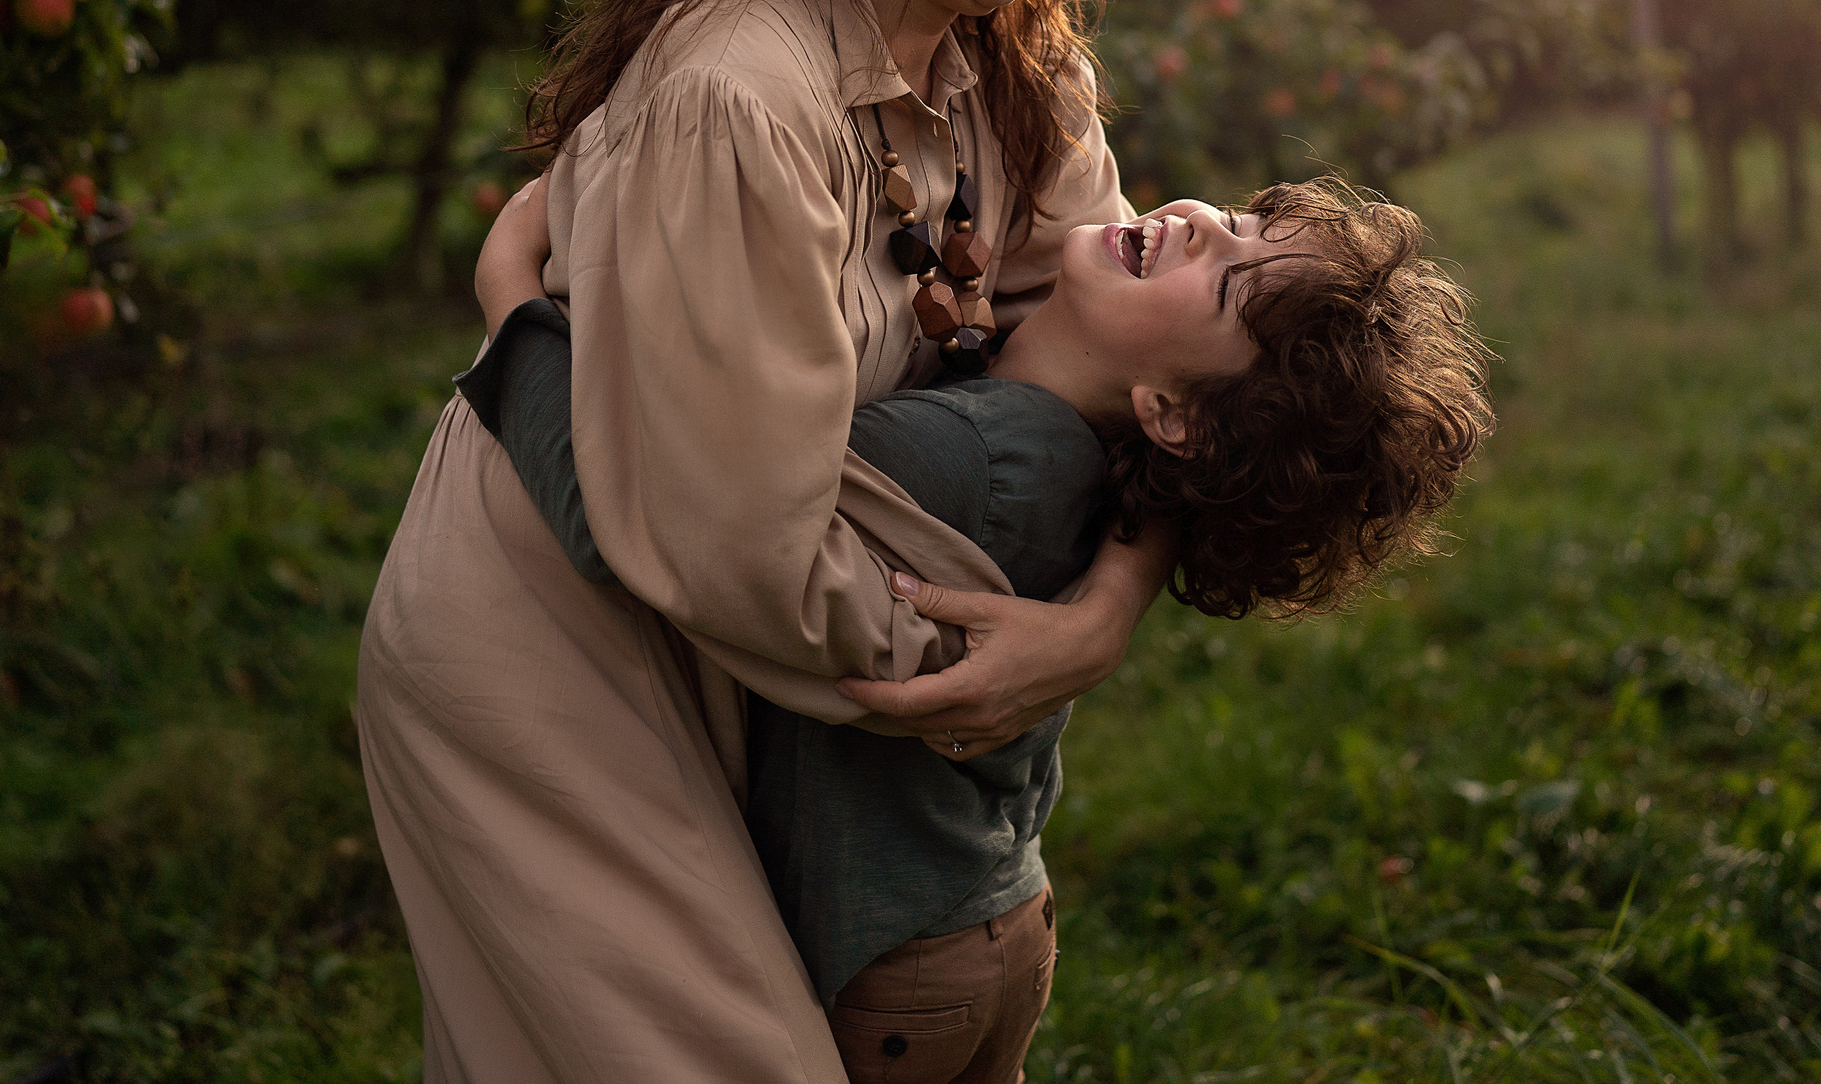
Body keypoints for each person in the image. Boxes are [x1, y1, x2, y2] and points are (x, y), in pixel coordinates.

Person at [355, 0, 1171, 1081]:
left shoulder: (1019, 82)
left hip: (730, 645)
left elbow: (1143, 372)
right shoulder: (742, 95)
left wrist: (1100, 610)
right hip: (554, 644)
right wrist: (972, 658)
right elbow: (744, 551)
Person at [459, 173, 1492, 1080]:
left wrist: (511, 287)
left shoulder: (969, 456)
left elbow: (653, 518)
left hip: (891, 964)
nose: (1192, 223)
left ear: (1172, 415)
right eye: (1239, 217)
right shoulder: (1099, 453)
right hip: (981, 928)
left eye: (1225, 281)